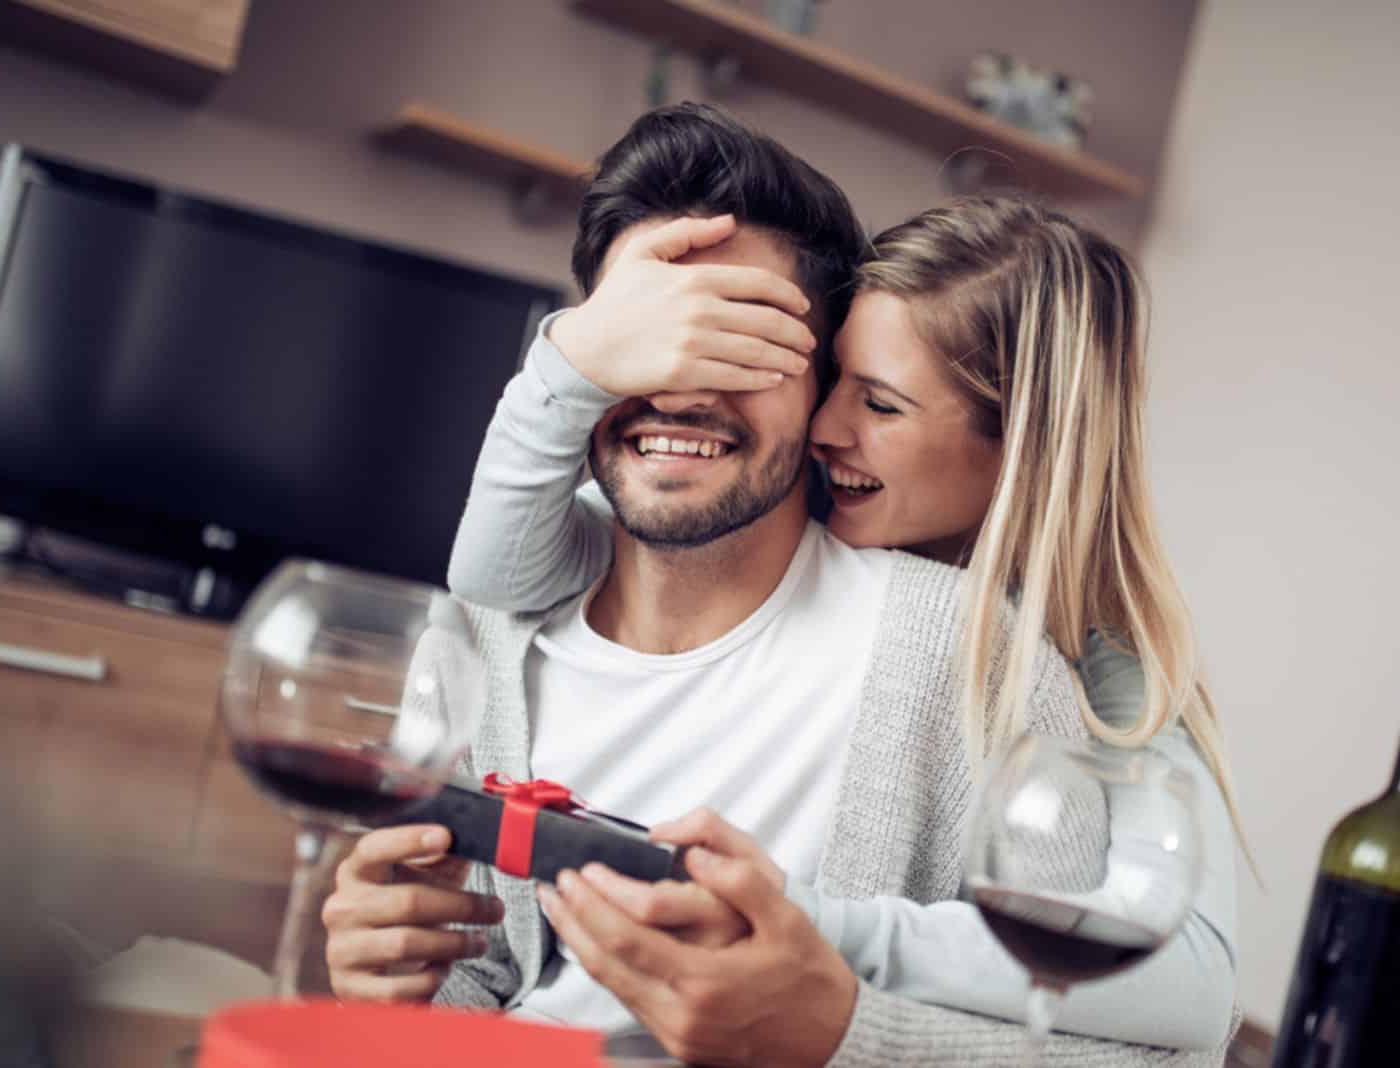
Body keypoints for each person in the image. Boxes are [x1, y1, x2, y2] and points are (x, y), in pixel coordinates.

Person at [323, 103, 1230, 1066]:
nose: (677, 384)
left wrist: (836, 1028)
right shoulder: (495, 622)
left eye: (741, 344)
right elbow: (480, 990)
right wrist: (398, 993)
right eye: (642, 339)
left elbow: (1158, 1020)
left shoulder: (995, 661)